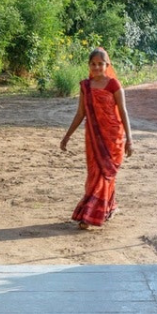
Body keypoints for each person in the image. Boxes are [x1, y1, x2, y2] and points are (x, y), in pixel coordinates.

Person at [60, 48, 134, 229]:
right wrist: (67, 136)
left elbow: (123, 112)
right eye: (93, 64)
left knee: (106, 174)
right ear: (89, 66)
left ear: (107, 65)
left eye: (100, 64)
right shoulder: (85, 86)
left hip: (112, 137)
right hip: (93, 137)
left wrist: (130, 139)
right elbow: (80, 114)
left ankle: (89, 215)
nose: (96, 67)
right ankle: (106, 208)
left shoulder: (114, 85)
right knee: (96, 174)